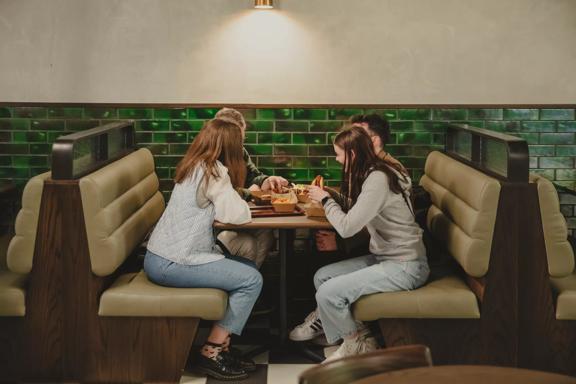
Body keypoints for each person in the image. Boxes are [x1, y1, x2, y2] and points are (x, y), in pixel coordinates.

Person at [289, 126, 430, 363]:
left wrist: (325, 200)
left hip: (406, 265)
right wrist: (330, 196)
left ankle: (354, 343)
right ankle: (360, 336)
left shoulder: (378, 179)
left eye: (339, 155)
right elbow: (360, 208)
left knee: (328, 293)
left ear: (352, 155)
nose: (336, 159)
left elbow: (346, 228)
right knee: (323, 277)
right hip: (386, 257)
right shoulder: (376, 171)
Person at [144, 118, 263, 381]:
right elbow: (237, 215)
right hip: (174, 262)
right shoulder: (214, 171)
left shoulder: (193, 164)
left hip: (159, 256)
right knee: (252, 280)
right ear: (230, 146)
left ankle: (222, 346)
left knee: (248, 268)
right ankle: (211, 351)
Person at [315, 113, 408, 253]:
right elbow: (361, 207)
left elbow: (377, 222)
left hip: (384, 250)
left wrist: (342, 243)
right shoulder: (366, 167)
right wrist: (332, 195)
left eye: (359, 135)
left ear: (374, 141)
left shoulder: (383, 173)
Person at [214, 107, 288, 267]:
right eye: (237, 137)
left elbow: (254, 175)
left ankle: (250, 278)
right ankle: (246, 280)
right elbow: (222, 197)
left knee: (266, 232)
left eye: (242, 137)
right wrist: (250, 192)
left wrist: (267, 180)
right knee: (250, 241)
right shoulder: (212, 159)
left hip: (235, 215)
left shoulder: (240, 152)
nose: (241, 141)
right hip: (215, 225)